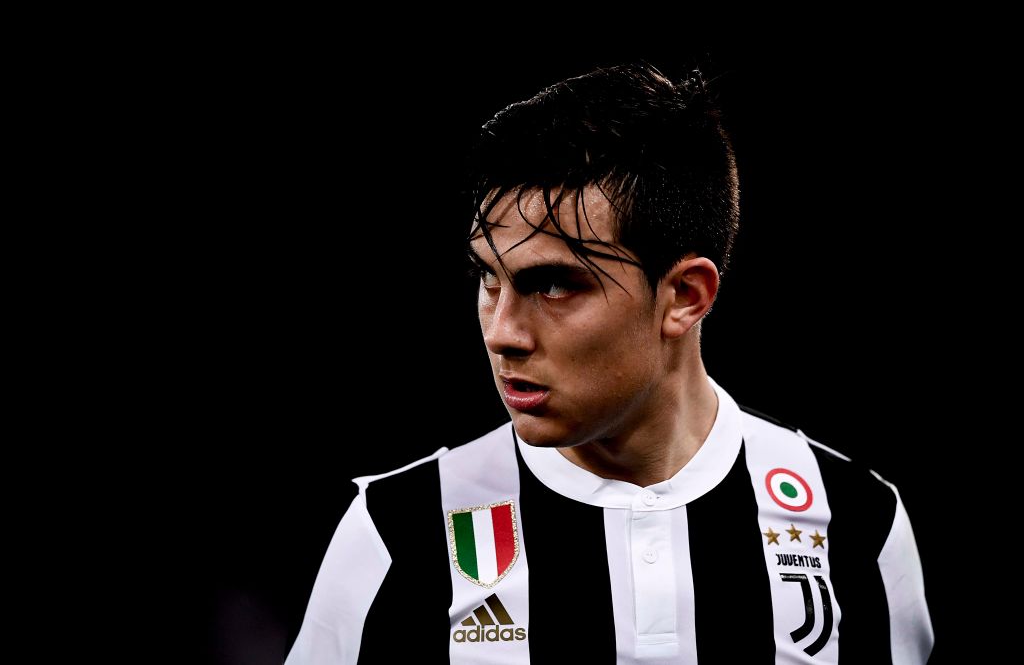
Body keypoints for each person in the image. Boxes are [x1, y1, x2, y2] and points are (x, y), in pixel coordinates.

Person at [285, 62, 933, 664]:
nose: (502, 333)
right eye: (488, 277)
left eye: (552, 284)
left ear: (685, 296)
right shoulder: (396, 531)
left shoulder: (856, 522)